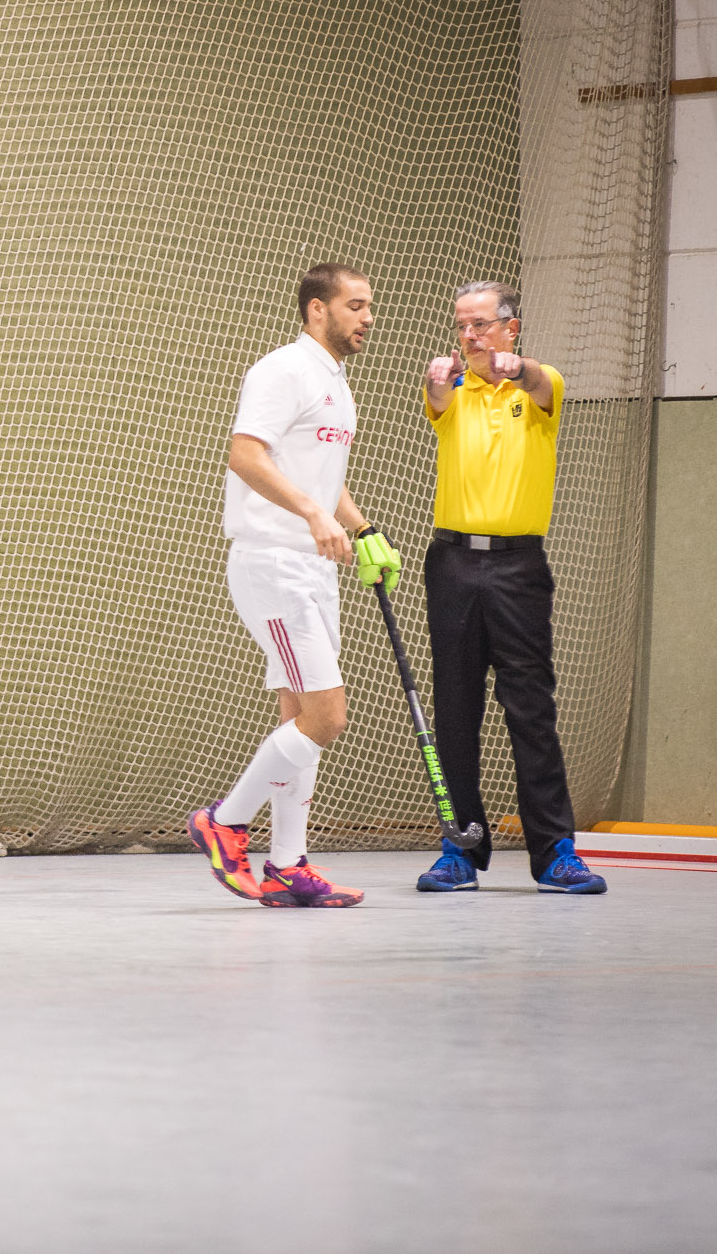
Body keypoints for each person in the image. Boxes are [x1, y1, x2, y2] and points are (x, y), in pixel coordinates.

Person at [187, 263, 400, 908]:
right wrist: (311, 514)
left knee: (298, 719)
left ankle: (287, 866)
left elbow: (321, 475)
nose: (368, 318)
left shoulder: (335, 381)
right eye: (356, 306)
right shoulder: (281, 370)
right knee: (326, 718)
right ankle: (224, 821)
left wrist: (362, 528)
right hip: (273, 563)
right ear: (317, 309)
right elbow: (246, 455)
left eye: (369, 306)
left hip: (314, 566)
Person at [413, 282, 605, 894]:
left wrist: (518, 368)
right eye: (461, 326)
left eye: (481, 324)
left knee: (531, 708)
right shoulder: (451, 390)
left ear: (510, 327)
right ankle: (460, 850)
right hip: (451, 563)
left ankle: (555, 855)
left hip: (519, 568)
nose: (469, 336)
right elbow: (437, 401)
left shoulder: (540, 387)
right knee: (455, 710)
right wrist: (438, 382)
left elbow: (542, 382)